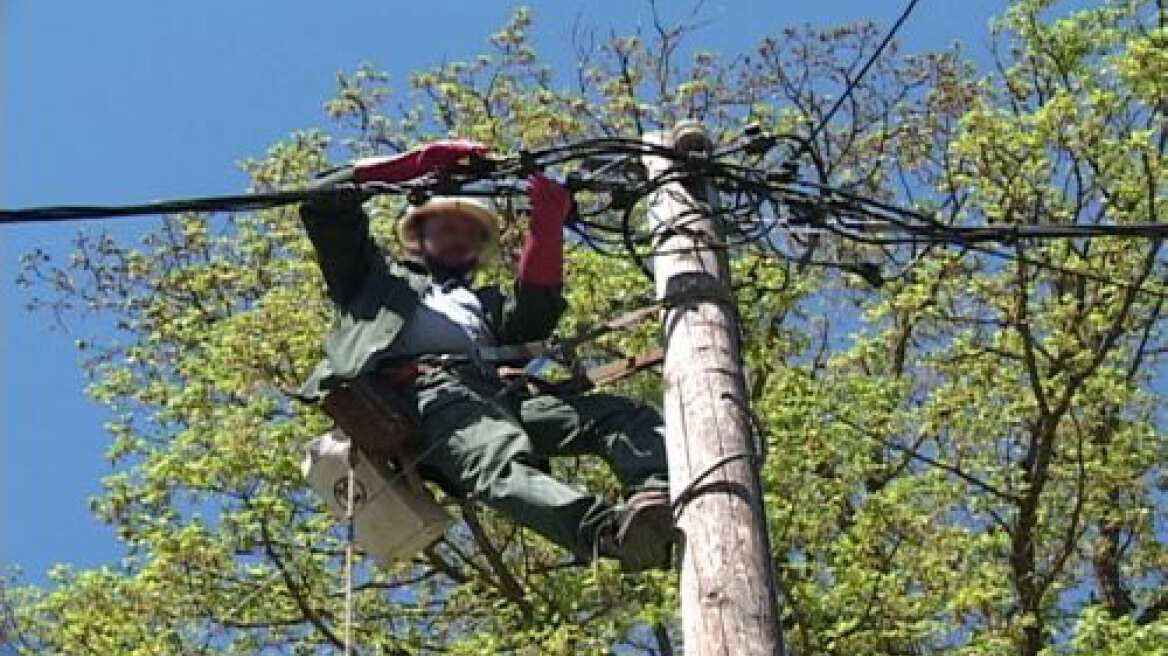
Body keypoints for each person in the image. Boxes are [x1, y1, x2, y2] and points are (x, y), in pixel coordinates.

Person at [295, 139, 675, 571]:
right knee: (500, 462)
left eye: (471, 233)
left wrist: (546, 230)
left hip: (502, 396)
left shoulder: (482, 306)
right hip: (429, 398)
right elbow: (325, 200)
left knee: (619, 416)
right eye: (445, 226)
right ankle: (610, 534)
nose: (458, 238)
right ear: (415, 235)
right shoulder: (372, 284)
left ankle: (655, 498)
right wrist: (411, 166)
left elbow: (535, 314)